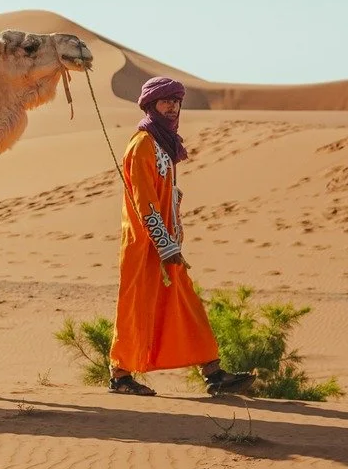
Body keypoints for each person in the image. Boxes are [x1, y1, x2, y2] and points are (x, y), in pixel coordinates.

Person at [108, 75, 253, 397]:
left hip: (166, 245)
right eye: (165, 101)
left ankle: (213, 372)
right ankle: (119, 375)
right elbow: (143, 201)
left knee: (186, 305)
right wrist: (164, 243)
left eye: (176, 101)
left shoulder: (163, 143)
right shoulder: (143, 144)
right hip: (145, 245)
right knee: (137, 308)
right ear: (151, 105)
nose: (172, 106)